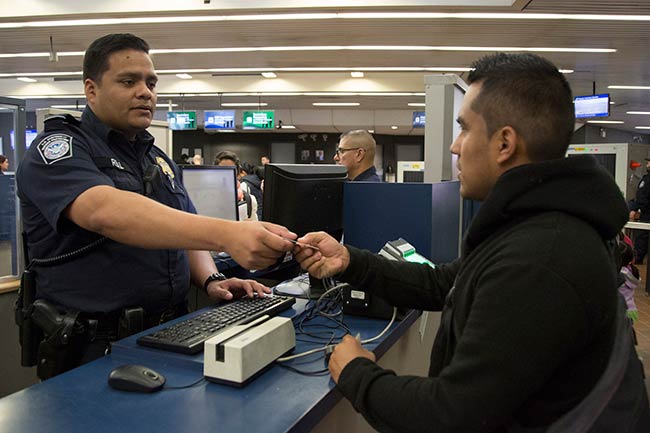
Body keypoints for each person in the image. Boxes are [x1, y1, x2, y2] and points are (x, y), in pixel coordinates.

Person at [294, 53, 649, 431]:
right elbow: (444, 282)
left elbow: (451, 417)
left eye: (464, 129)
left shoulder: (540, 259)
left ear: (504, 143)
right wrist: (350, 260)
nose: (455, 147)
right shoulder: (536, 225)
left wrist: (355, 371)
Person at [15, 33, 296, 378]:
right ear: (91, 90)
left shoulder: (156, 157)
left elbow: (183, 226)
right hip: (93, 349)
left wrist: (212, 279)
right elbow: (104, 211)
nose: (145, 92)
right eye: (128, 81)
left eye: (151, 82)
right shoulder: (59, 148)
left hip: (169, 335)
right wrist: (229, 234)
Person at [215, 150, 259, 221]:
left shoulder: (249, 200)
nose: (226, 174)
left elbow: (254, 226)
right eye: (222, 170)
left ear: (238, 174)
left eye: (230, 170)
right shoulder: (206, 198)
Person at [629, 158, 650, 263]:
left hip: (647, 214)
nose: (647, 164)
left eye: (649, 162)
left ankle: (637, 258)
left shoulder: (647, 180)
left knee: (642, 237)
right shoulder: (646, 178)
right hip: (645, 212)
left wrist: (634, 208)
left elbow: (642, 197)